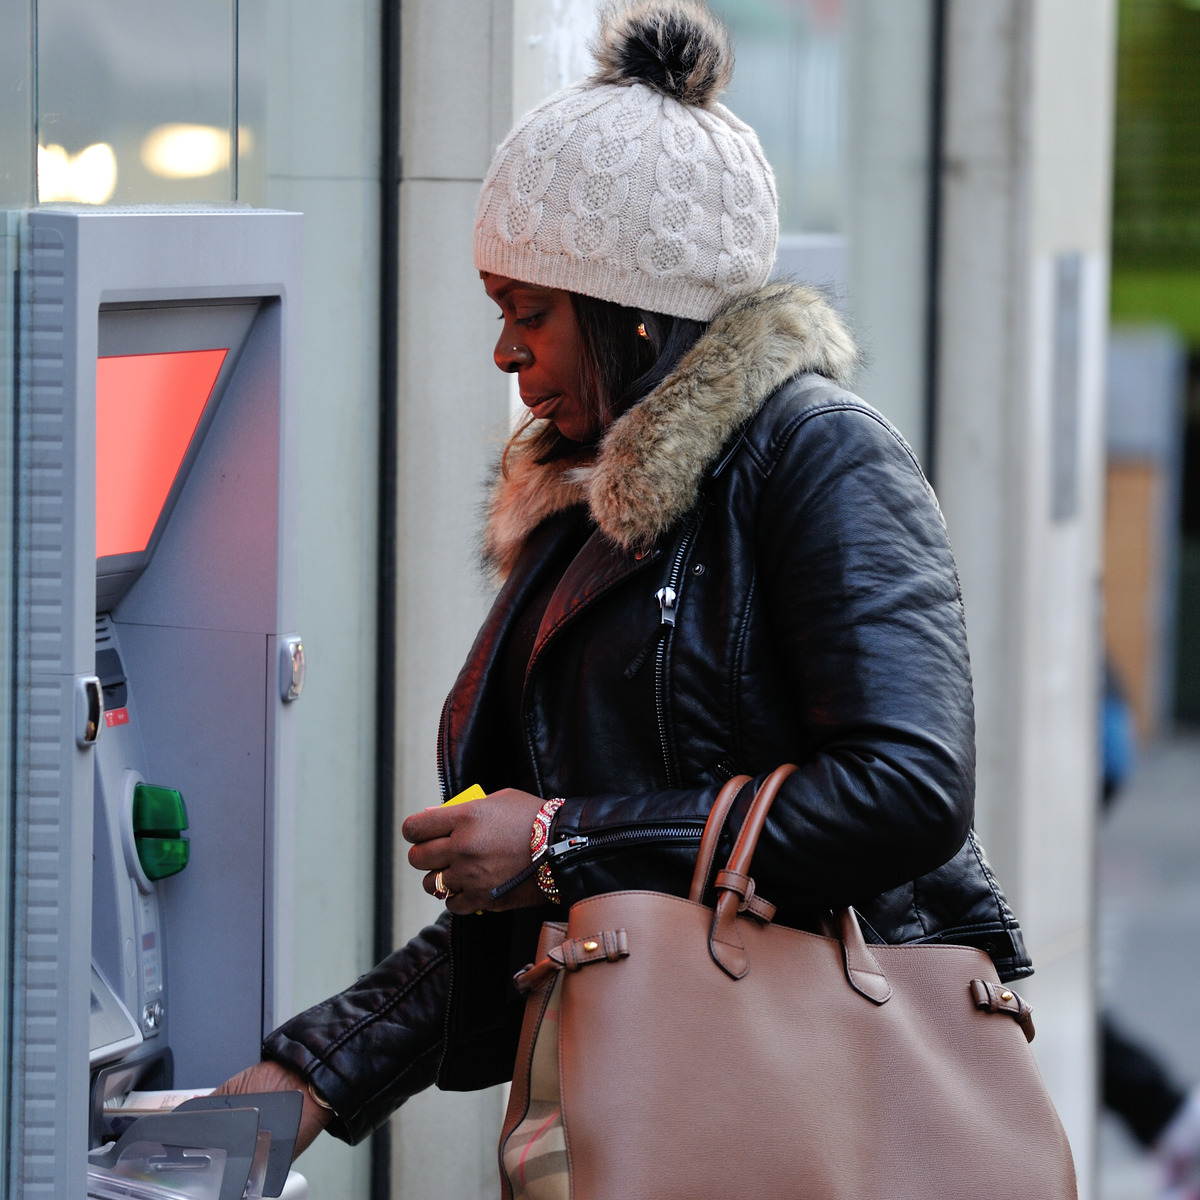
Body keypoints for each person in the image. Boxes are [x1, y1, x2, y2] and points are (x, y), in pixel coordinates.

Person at [217, 0, 1032, 1174]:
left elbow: (907, 788)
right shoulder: (586, 509)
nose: (505, 353)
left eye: (529, 313)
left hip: (814, 1113)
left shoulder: (817, 454)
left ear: (634, 314)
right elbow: (541, 893)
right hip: (658, 1102)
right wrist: (304, 1079)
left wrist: (558, 839)